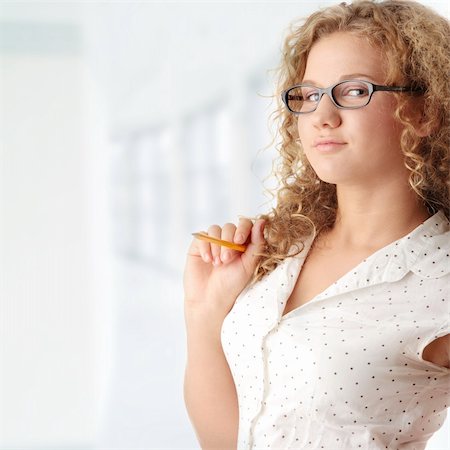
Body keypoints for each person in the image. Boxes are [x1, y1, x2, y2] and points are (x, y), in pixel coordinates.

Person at [183, 0, 450, 448]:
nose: (322, 116)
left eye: (354, 91)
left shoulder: (440, 281)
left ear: (423, 113)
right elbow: (223, 441)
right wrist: (204, 312)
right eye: (309, 95)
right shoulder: (280, 246)